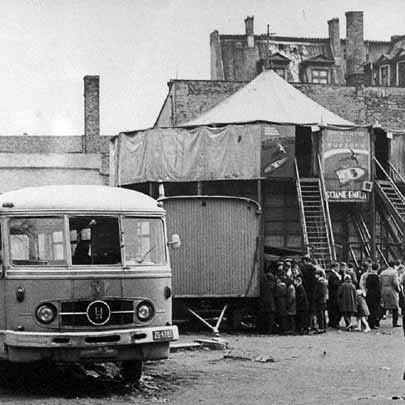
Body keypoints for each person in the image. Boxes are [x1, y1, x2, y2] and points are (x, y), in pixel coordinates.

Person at [380, 260, 401, 328]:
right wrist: (398, 289)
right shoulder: (394, 272)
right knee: (395, 307)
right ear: (394, 265)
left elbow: (380, 282)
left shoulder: (382, 272)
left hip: (383, 289)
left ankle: (377, 320)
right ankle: (395, 322)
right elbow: (395, 283)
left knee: (384, 306)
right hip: (391, 290)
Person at [258, 264, 276, 334]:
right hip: (270, 303)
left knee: (264, 317)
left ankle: (264, 330)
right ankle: (269, 331)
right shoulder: (272, 285)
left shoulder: (262, 284)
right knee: (270, 318)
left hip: (264, 302)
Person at [300, 255, 316, 330]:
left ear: (305, 261)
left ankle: (307, 325)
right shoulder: (314, 268)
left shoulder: (304, 268)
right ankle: (312, 325)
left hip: (306, 290)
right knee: (312, 310)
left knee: (307, 309)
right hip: (312, 291)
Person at [365, 263, 381, 329]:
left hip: (369, 294)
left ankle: (369, 322)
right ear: (378, 268)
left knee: (370, 308)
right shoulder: (377, 277)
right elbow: (378, 287)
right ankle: (373, 324)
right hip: (375, 294)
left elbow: (367, 285)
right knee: (375, 310)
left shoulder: (368, 276)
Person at [313, 268, 328, 333]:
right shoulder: (323, 282)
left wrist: (315, 298)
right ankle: (323, 327)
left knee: (320, 315)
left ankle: (321, 327)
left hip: (320, 301)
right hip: (323, 300)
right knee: (322, 314)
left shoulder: (320, 282)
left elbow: (320, 292)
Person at [327, 262, 341, 328]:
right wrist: (339, 280)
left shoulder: (332, 274)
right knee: (335, 309)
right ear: (334, 267)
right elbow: (334, 284)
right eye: (337, 267)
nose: (338, 269)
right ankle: (334, 323)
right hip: (334, 294)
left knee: (333, 309)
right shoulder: (333, 275)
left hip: (333, 294)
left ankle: (333, 322)